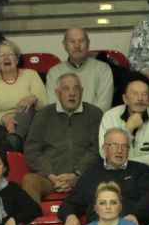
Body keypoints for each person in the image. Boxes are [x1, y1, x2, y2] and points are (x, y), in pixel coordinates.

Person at [61, 129, 149, 225]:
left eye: (124, 146)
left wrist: (135, 214)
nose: (120, 151)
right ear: (104, 149)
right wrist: (70, 215)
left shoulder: (142, 171)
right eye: (115, 146)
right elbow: (70, 203)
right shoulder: (91, 174)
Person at [21, 73, 105, 203]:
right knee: (29, 180)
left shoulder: (95, 114)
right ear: (57, 93)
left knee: (103, 181)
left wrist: (76, 174)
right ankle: (31, 217)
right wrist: (49, 174)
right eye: (66, 89)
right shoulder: (43, 115)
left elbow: (97, 149)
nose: (72, 93)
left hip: (83, 177)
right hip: (50, 178)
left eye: (76, 88)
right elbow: (32, 150)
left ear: (82, 92)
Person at [0, 39, 47, 155]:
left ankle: (10, 144)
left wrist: (34, 100)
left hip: (29, 126)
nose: (6, 58)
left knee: (27, 106)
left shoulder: (31, 75)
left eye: (10, 54)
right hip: (1, 125)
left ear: (17, 59)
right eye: (1, 55)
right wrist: (3, 118)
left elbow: (46, 105)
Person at [99, 79, 149, 168]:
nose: (140, 98)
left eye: (144, 94)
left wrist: (127, 163)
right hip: (117, 170)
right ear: (125, 99)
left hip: (148, 170)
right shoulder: (110, 116)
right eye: (135, 94)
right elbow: (105, 153)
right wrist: (127, 129)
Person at [45, 26, 114, 112]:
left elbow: (103, 106)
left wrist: (80, 118)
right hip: (63, 120)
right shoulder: (54, 73)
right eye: (72, 41)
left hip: (95, 120)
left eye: (81, 41)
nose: (77, 45)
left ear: (88, 43)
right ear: (64, 45)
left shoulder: (103, 70)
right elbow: (53, 107)